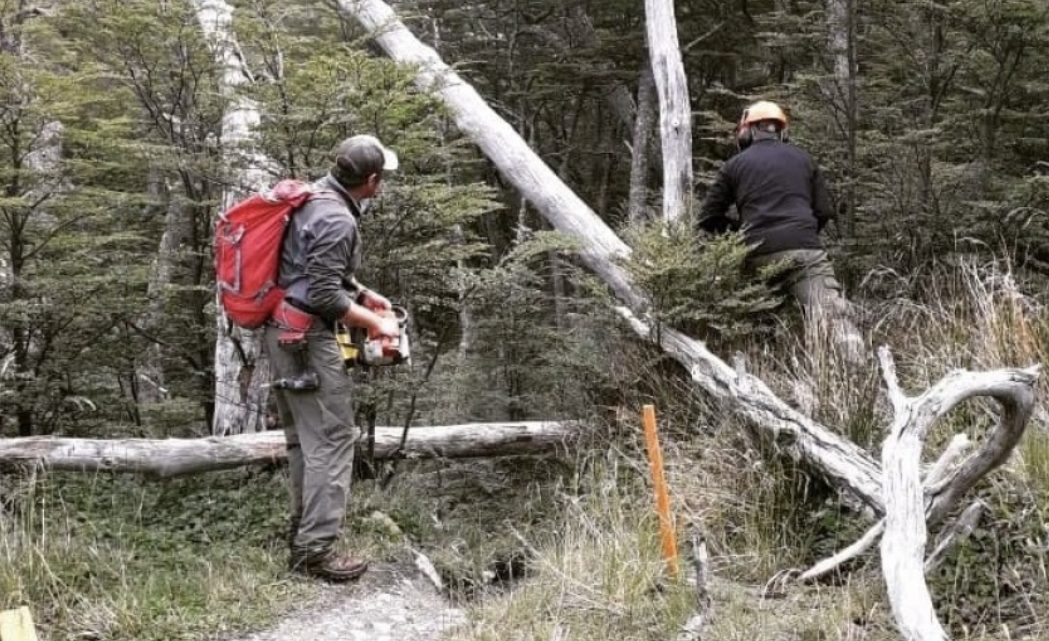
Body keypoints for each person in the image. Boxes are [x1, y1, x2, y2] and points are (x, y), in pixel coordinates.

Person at [263, 134, 401, 582]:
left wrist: (362, 293)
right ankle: (315, 551)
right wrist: (375, 323)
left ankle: (302, 537)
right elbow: (322, 293)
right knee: (335, 438)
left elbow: (311, 269)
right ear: (372, 180)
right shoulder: (339, 219)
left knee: (304, 441)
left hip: (281, 331)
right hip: (306, 338)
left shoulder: (313, 197)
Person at [697, 100, 864, 360]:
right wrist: (802, 236)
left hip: (755, 253)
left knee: (753, 324)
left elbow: (708, 217)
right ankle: (856, 369)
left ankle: (757, 375)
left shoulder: (734, 165)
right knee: (833, 313)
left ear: (747, 131)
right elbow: (823, 212)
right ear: (781, 132)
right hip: (805, 250)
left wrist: (742, 233)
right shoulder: (804, 159)